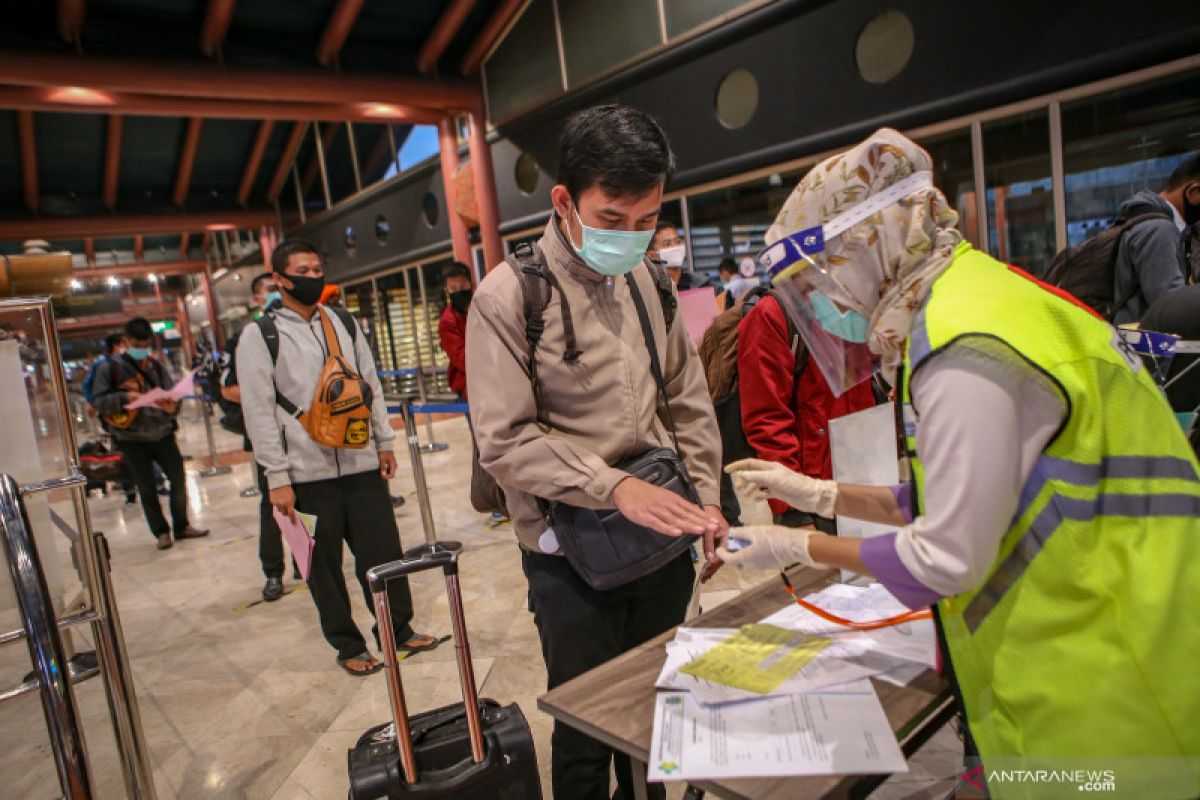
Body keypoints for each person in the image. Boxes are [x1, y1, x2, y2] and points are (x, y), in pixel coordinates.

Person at [718, 129, 1200, 793]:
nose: (832, 309)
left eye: (820, 284)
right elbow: (982, 491)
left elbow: (946, 555)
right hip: (1127, 630)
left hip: (1106, 683)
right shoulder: (986, 296)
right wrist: (821, 494)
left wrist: (795, 542)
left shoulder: (961, 344)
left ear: (868, 246)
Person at [466, 104, 726, 800]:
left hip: (662, 537)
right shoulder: (508, 296)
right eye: (613, 219)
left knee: (658, 705)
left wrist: (706, 500)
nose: (633, 238)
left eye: (648, 222)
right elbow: (504, 439)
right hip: (569, 552)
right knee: (583, 722)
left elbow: (686, 399)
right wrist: (611, 486)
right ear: (564, 201)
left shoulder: (649, 282)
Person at [237, 240, 437, 676]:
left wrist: (384, 441)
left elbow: (370, 383)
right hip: (305, 474)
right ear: (280, 280)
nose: (312, 276)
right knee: (321, 567)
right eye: (302, 270)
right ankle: (347, 645)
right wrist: (277, 477)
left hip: (361, 460)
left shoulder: (342, 321)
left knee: (383, 553)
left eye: (316, 267)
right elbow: (258, 411)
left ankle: (398, 629)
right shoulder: (260, 336)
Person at [737, 290, 875, 532]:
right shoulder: (773, 313)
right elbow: (767, 419)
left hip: (870, 478)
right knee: (822, 568)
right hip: (811, 498)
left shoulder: (863, 299)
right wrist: (793, 511)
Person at [90, 318, 209, 550]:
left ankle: (182, 525)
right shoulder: (109, 368)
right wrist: (126, 398)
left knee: (178, 479)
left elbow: (173, 395)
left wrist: (171, 406)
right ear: (126, 341)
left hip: (162, 433)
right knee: (146, 487)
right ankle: (161, 532)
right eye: (137, 344)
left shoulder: (155, 366)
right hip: (131, 438)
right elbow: (98, 401)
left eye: (145, 344)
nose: (142, 349)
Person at [220, 272, 290, 602]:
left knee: (312, 504)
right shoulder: (247, 337)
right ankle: (273, 572)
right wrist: (262, 395)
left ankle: (310, 561)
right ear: (257, 298)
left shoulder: (302, 330)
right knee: (272, 505)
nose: (277, 295)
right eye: (270, 291)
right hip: (268, 437)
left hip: (308, 434)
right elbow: (228, 388)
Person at [1111, 152, 1199, 324]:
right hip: (1144, 347)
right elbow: (1173, 309)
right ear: (1193, 192)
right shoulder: (1158, 230)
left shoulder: (1148, 222)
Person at [437, 262, 473, 403]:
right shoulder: (447, 321)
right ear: (447, 291)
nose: (459, 291)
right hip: (468, 385)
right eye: (454, 288)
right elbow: (461, 359)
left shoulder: (481, 307)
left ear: (471, 284)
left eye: (463, 286)